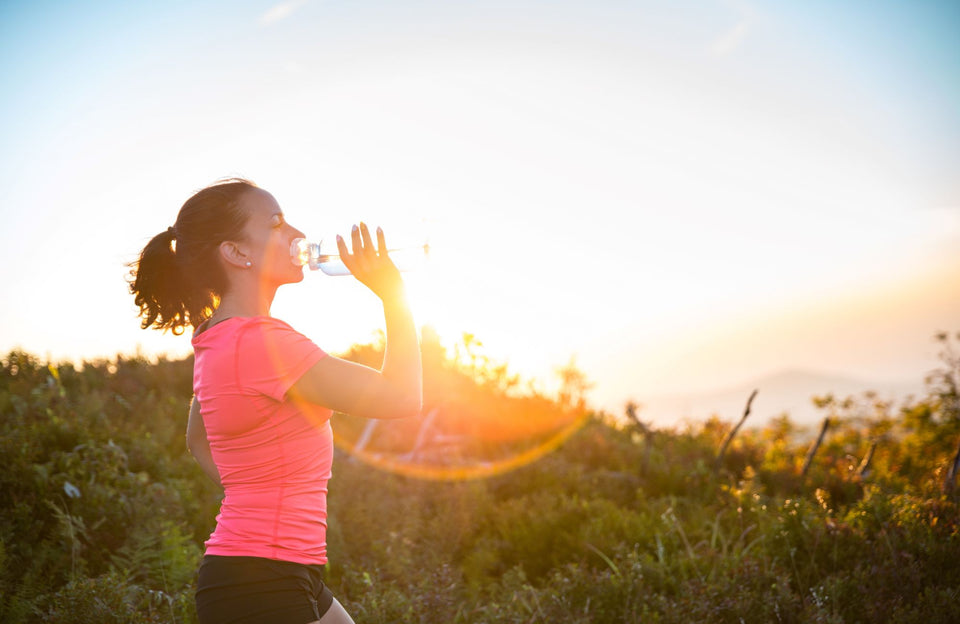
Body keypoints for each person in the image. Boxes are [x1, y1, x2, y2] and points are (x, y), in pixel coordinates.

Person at [128, 178, 422, 624]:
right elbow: (402, 395)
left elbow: (198, 441)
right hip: (262, 586)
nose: (297, 234)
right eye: (276, 223)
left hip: (261, 572)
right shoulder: (265, 344)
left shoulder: (215, 338)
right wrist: (392, 293)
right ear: (236, 253)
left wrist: (258, 502)